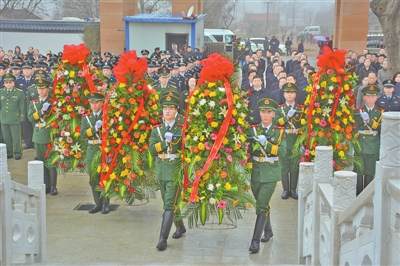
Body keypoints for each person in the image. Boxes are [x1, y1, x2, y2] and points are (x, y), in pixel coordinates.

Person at [247, 98, 286, 253]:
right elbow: (248, 152)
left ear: (273, 114)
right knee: (261, 204)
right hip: (256, 171)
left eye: (268, 112)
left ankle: (255, 241)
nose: (265, 114)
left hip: (271, 171)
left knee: (262, 205)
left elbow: (282, 152)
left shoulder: (279, 131)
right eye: (263, 111)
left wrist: (267, 144)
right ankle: (268, 230)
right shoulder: (253, 130)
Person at [149, 90, 186, 251]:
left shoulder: (182, 126)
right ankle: (181, 227)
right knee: (169, 201)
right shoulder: (157, 129)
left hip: (175, 170)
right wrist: (165, 143)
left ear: (176, 110)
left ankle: (162, 238)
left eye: (171, 108)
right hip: (162, 170)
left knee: (169, 203)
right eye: (165, 108)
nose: (167, 111)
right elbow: (151, 150)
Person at [274, 82, 304, 200]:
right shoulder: (279, 109)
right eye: (287, 92)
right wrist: (287, 117)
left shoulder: (300, 109)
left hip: (296, 140)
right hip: (284, 140)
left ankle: (293, 189)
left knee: (294, 165)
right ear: (284, 94)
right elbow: (276, 122)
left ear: (295, 94)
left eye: (292, 92)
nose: (289, 95)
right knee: (284, 165)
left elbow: (305, 124)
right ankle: (285, 189)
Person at [80, 92, 109, 214]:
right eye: (92, 102)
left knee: (104, 177)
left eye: (97, 102)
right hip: (92, 149)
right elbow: (83, 135)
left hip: (104, 149)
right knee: (93, 177)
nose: (94, 105)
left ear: (102, 103)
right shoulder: (86, 118)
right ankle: (97, 202)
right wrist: (94, 129)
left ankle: (105, 203)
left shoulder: (107, 116)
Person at [28, 79, 58, 195]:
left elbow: (56, 119)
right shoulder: (33, 103)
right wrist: (41, 111)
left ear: (48, 89)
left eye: (43, 88)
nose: (41, 90)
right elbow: (30, 118)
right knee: (41, 161)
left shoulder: (52, 103)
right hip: (37, 135)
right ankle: (45, 185)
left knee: (51, 162)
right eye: (39, 88)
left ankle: (53, 186)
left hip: (48, 134)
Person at [354, 85, 383, 195]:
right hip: (360, 142)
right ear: (363, 97)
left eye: (373, 97)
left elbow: (381, 128)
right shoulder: (358, 111)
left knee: (370, 171)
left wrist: (368, 120)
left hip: (373, 143)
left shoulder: (380, 112)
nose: (370, 99)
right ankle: (359, 194)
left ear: (376, 98)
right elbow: (354, 127)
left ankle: (367, 195)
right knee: (359, 170)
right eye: (368, 96)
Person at [0, 73, 26, 160]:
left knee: (16, 137)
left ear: (14, 83)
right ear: (3, 83)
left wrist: (22, 117)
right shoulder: (1, 92)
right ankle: (9, 152)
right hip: (4, 118)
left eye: (10, 82)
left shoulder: (19, 92)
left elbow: (22, 106)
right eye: (6, 82)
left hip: (15, 118)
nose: (8, 84)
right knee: (6, 137)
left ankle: (18, 152)